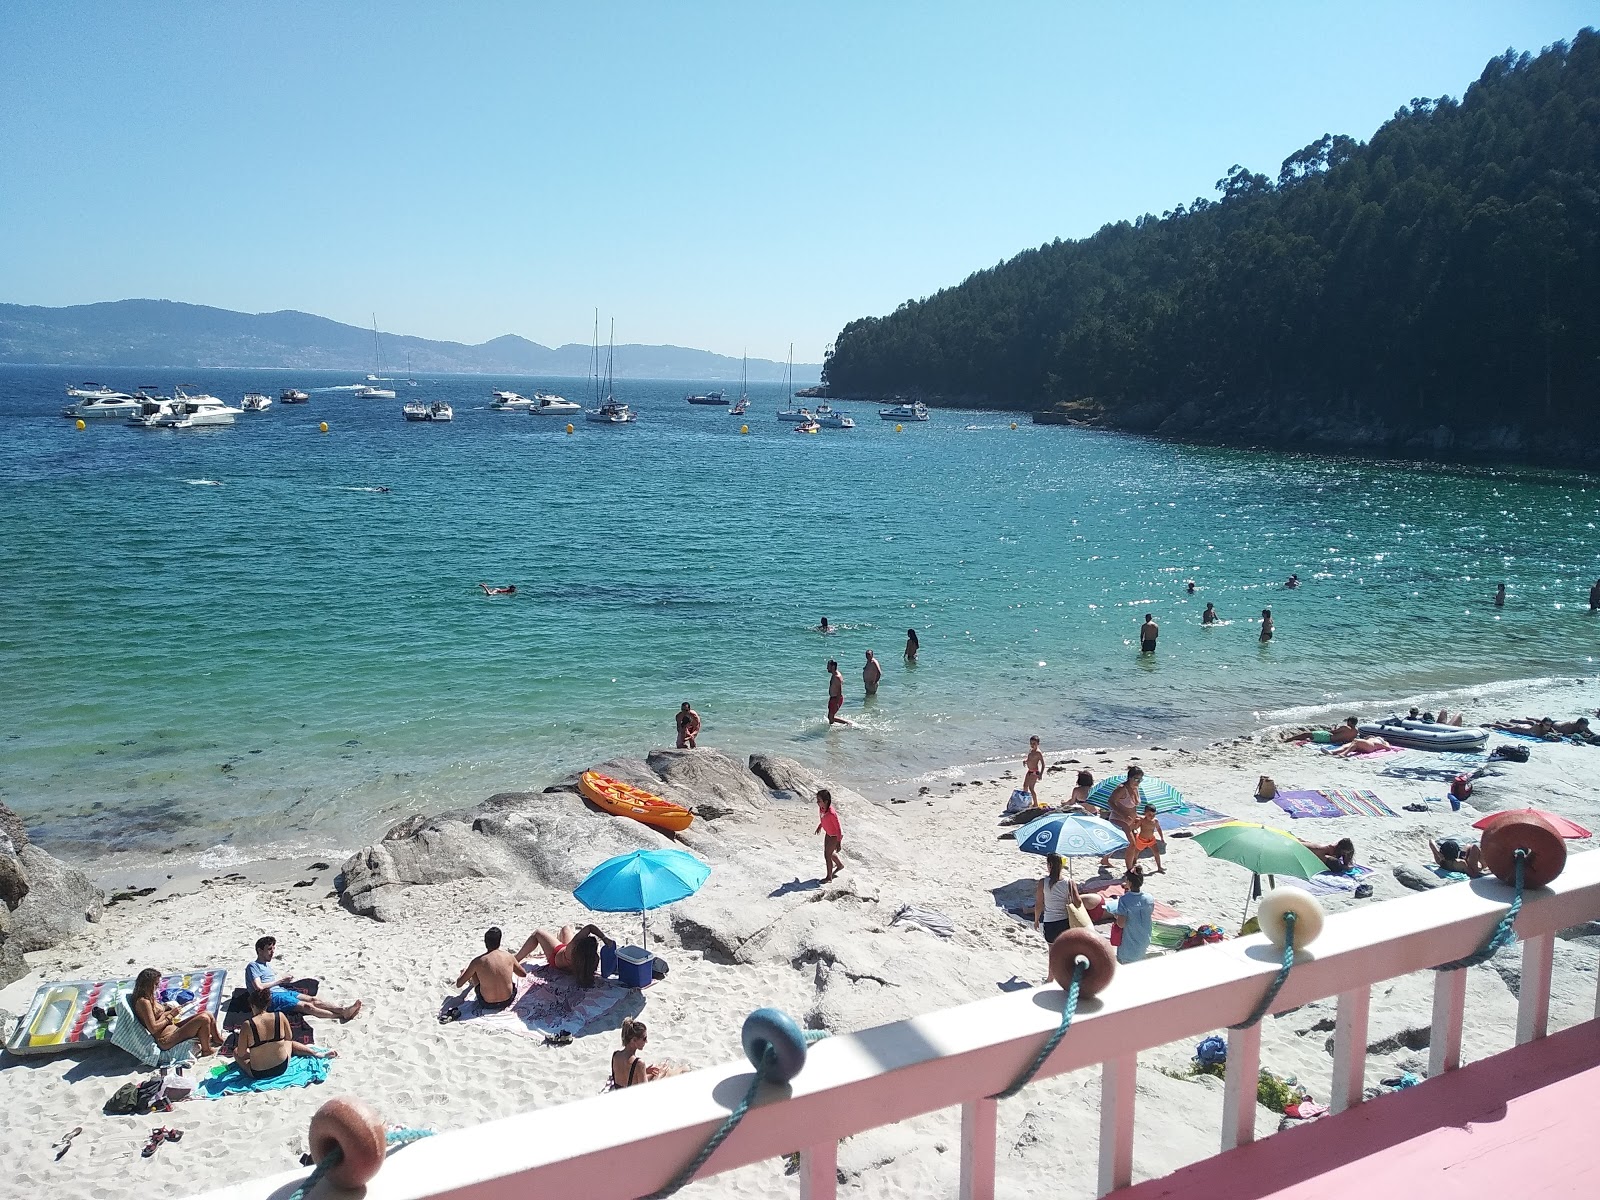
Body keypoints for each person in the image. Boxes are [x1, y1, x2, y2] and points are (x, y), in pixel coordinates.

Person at [246, 937, 362, 1022]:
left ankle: (342, 1009)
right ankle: (341, 1015)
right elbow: (259, 987)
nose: (272, 952)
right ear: (260, 951)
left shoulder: (266, 965)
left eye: (273, 948)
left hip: (281, 991)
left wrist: (282, 982)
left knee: (312, 999)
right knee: (307, 1007)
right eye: (269, 949)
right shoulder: (253, 966)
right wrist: (281, 981)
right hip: (271, 997)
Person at [235, 986, 336, 1078]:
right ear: (268, 1004)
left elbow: (241, 1053)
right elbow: (289, 1037)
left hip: (258, 1073)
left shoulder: (247, 1024)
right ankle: (316, 1054)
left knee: (236, 1052)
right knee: (289, 1043)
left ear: (252, 1005)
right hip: (281, 1067)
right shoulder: (280, 1016)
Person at [130, 967, 224, 1056]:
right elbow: (153, 1028)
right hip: (166, 1039)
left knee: (208, 1014)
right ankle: (206, 1050)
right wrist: (171, 1015)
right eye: (155, 984)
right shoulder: (144, 1002)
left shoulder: (149, 997)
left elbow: (158, 1016)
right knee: (203, 1019)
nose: (158, 986)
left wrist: (170, 1009)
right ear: (147, 985)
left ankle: (217, 1039)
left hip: (173, 1028)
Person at [513, 924, 614, 988]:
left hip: (556, 958)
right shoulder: (593, 960)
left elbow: (590, 927)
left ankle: (515, 959)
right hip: (573, 967)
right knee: (566, 929)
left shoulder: (572, 947)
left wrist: (604, 937)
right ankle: (559, 937)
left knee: (538, 933)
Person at [455, 927, 526, 1011]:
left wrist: (463, 973)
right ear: (499, 941)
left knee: (474, 971)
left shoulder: (477, 961)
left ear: (485, 942)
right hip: (508, 1000)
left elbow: (459, 984)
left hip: (487, 1003)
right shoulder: (508, 956)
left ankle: (473, 982)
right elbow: (523, 974)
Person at [1034, 855, 1101, 944]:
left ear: (1049, 865)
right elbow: (1078, 903)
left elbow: (1039, 904)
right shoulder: (1069, 882)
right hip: (1065, 921)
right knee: (1065, 950)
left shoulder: (1043, 882)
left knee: (1052, 950)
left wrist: (1036, 920)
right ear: (1061, 865)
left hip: (1049, 921)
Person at [1099, 766, 1143, 872]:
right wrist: (1123, 814)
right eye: (1136, 779)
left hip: (1129, 821)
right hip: (1118, 819)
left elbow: (1133, 806)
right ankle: (1129, 869)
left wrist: (1136, 816)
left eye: (1140, 779)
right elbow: (1110, 802)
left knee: (1117, 842)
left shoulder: (1135, 789)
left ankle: (1105, 859)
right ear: (1130, 777)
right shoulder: (1122, 788)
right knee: (1132, 844)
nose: (1138, 782)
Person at [1108, 868, 1154, 964]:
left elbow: (1121, 924)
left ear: (1129, 882)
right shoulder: (1149, 898)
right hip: (1145, 938)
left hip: (1129, 943)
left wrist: (1116, 916)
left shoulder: (1124, 900)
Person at [815, 789, 844, 882]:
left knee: (827, 855)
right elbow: (823, 819)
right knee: (828, 852)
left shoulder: (831, 813)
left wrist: (839, 842)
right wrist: (820, 826)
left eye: (819, 801)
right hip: (828, 834)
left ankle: (829, 877)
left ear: (826, 801)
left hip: (834, 836)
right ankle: (839, 865)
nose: (817, 803)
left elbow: (838, 828)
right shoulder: (822, 809)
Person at [1127, 803, 1165, 873]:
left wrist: (1162, 837)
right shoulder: (1142, 820)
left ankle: (1159, 867)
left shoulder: (1155, 821)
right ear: (1145, 813)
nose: (1152, 816)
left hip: (1151, 839)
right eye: (1150, 815)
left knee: (1156, 852)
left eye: (1154, 815)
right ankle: (1133, 866)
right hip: (1141, 839)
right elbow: (1135, 827)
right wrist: (1133, 823)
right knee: (1136, 854)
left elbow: (1159, 828)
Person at [1023, 735, 1045, 805]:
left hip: (1035, 772)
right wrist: (1025, 761)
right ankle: (1026, 801)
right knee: (1025, 786)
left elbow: (1043, 764)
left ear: (1038, 744)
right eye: (1031, 743)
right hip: (1029, 771)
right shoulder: (1030, 750)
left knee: (1031, 788)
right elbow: (1029, 759)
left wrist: (1041, 774)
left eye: (1034, 744)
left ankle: (1035, 803)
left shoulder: (1038, 753)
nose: (1032, 745)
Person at [826, 659, 847, 725]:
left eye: (828, 666)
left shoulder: (837, 677)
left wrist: (837, 703)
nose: (827, 668)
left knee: (831, 717)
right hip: (833, 698)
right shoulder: (834, 674)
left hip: (836, 698)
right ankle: (831, 731)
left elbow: (839, 691)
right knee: (830, 717)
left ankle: (847, 723)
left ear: (833, 666)